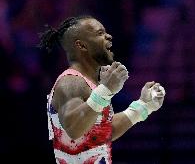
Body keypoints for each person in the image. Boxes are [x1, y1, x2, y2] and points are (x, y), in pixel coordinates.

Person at [38, 15, 165, 164]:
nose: (109, 36)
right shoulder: (70, 82)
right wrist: (105, 91)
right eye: (100, 33)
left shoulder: (91, 86)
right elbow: (73, 129)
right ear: (82, 45)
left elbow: (101, 133)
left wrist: (143, 106)